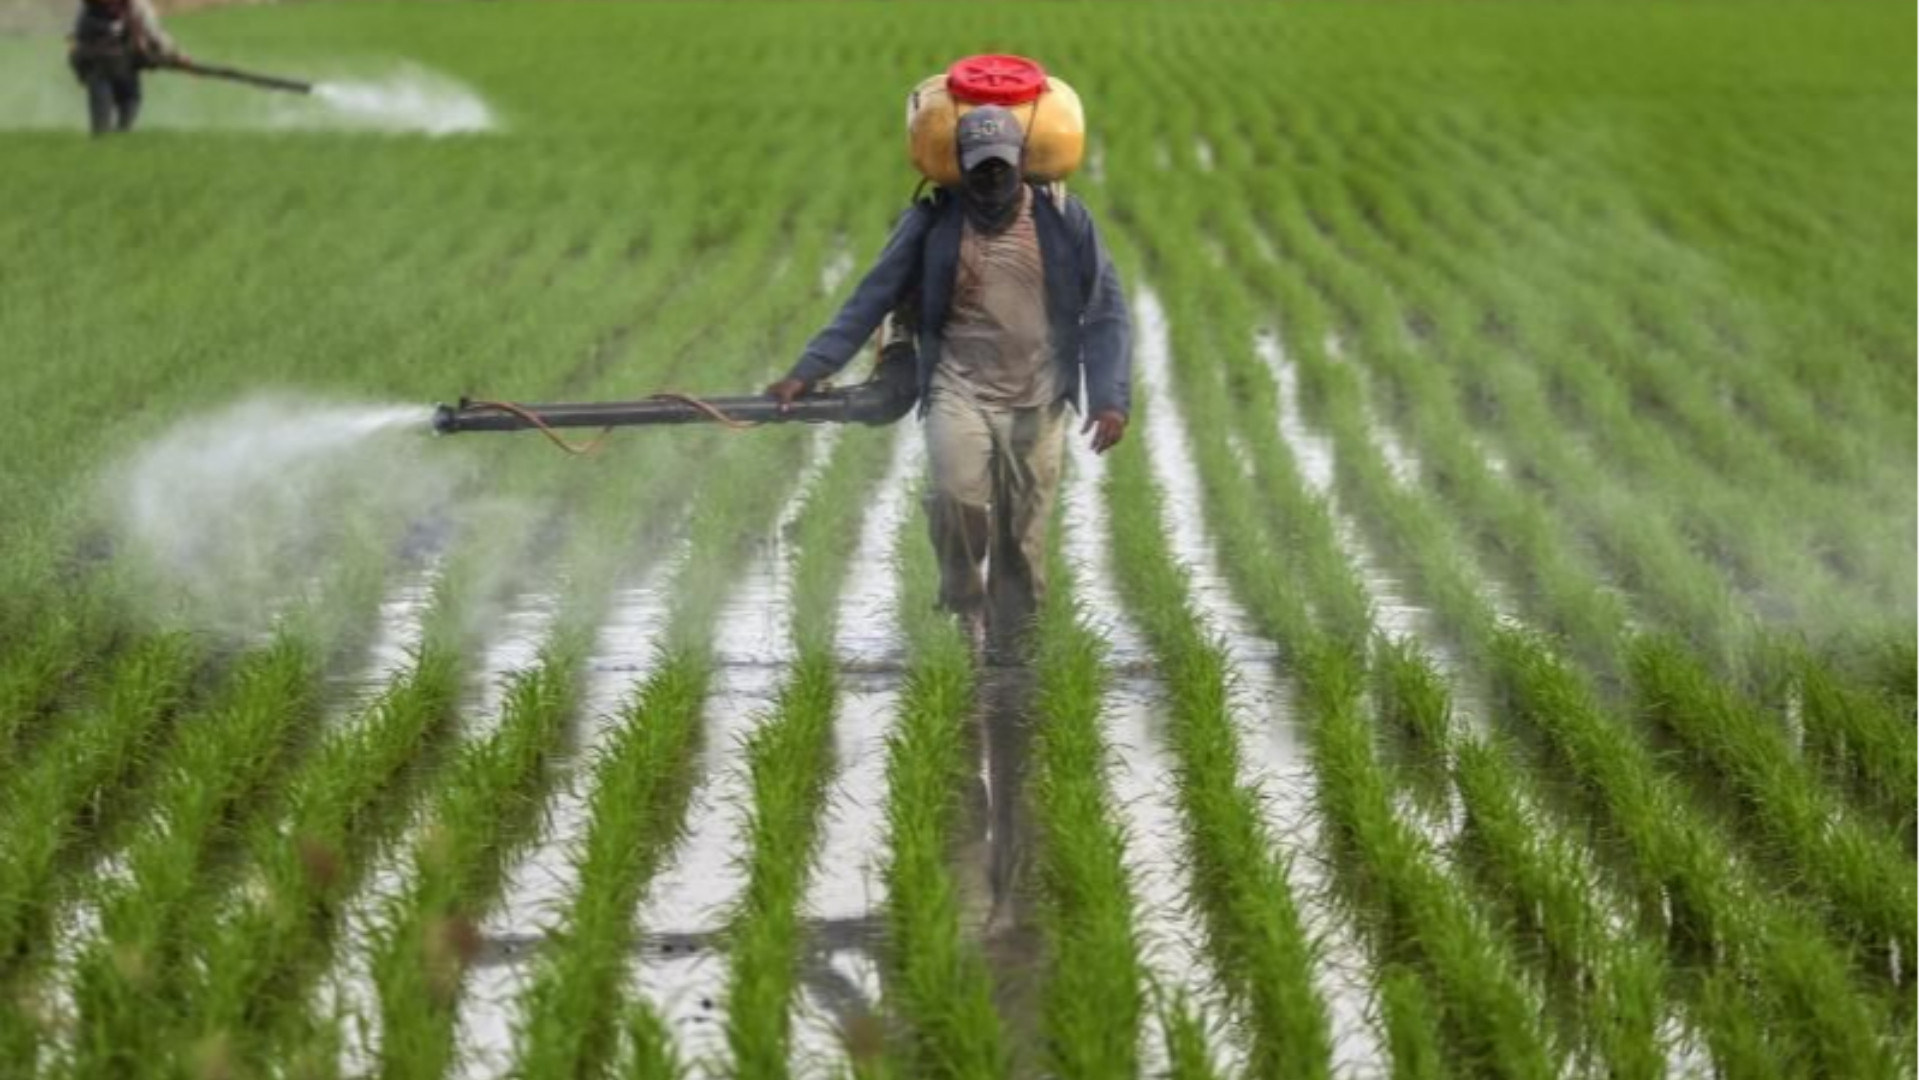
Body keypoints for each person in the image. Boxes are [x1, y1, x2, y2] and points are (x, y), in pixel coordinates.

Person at [768, 104, 1132, 663]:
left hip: (1039, 396)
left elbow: (1106, 309)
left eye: (1001, 168)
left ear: (1021, 163)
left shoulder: (1064, 219)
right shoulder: (933, 223)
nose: (991, 180)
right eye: (980, 169)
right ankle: (964, 602)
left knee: (1022, 540)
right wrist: (808, 370)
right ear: (961, 167)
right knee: (955, 497)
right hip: (956, 388)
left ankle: (1012, 660)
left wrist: (1110, 400)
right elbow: (871, 297)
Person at [67, 0, 187, 136]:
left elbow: (75, 40)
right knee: (129, 102)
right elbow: (154, 31)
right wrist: (174, 54)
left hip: (98, 63)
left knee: (104, 121)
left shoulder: (88, 7)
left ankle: (108, 139)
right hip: (117, 64)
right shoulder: (134, 5)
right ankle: (120, 135)